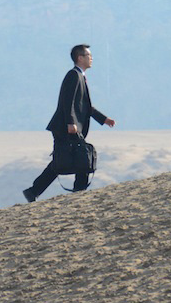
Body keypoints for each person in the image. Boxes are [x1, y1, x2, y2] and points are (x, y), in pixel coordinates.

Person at [23, 44, 115, 201]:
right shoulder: (73, 75)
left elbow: (86, 106)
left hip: (69, 126)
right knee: (79, 156)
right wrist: (71, 123)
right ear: (80, 58)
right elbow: (68, 101)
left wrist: (104, 119)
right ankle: (78, 192)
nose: (91, 58)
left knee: (63, 159)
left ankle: (34, 191)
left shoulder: (81, 76)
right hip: (65, 126)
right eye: (88, 56)